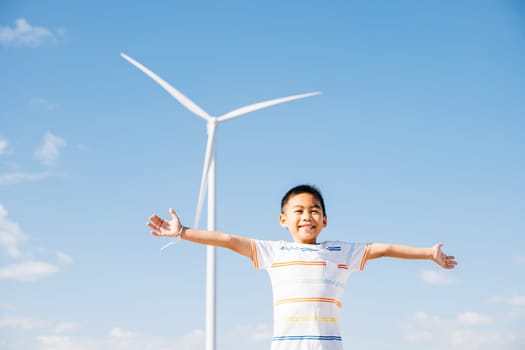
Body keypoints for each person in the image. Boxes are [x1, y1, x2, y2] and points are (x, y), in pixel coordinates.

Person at [147, 184, 458, 350]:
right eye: (299, 210)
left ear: (325, 220)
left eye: (315, 210)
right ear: (283, 220)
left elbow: (385, 248)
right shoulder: (273, 251)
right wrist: (182, 232)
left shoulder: (341, 252)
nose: (307, 216)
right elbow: (227, 239)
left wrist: (428, 253)